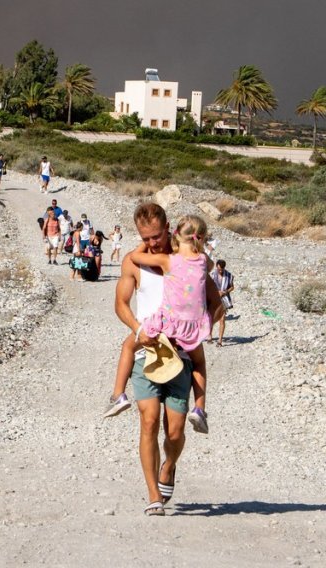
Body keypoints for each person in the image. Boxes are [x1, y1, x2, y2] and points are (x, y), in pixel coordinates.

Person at [109, 203, 223, 516]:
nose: (153, 243)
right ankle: (153, 495)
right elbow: (121, 303)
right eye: (146, 237)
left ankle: (169, 465)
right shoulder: (135, 262)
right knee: (148, 421)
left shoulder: (188, 260)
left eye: (157, 236)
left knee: (174, 432)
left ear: (168, 227)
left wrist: (200, 330)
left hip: (181, 354)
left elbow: (216, 303)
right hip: (148, 351)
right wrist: (137, 329)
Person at [208, 259, 235, 347]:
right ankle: (209, 336)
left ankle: (220, 340)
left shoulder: (229, 275)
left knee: (222, 319)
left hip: (224, 299)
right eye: (219, 269)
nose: (220, 271)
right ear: (216, 266)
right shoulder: (212, 275)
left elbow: (232, 287)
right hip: (213, 299)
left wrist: (225, 291)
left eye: (222, 269)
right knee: (211, 319)